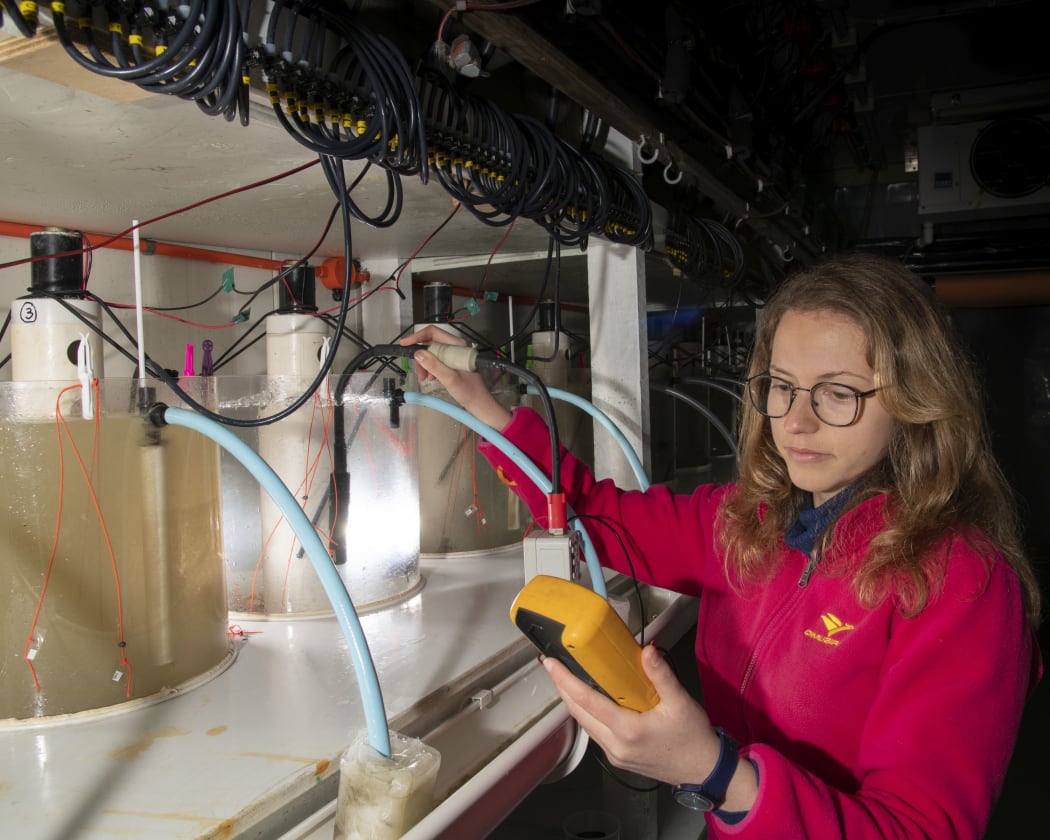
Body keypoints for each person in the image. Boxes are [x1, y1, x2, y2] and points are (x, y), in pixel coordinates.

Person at [400, 252, 1043, 838]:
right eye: (782, 386)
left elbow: (921, 831)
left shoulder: (962, 584)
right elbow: (594, 516)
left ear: (915, 400)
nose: (796, 420)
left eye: (839, 393)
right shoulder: (748, 524)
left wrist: (714, 773)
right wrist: (480, 403)